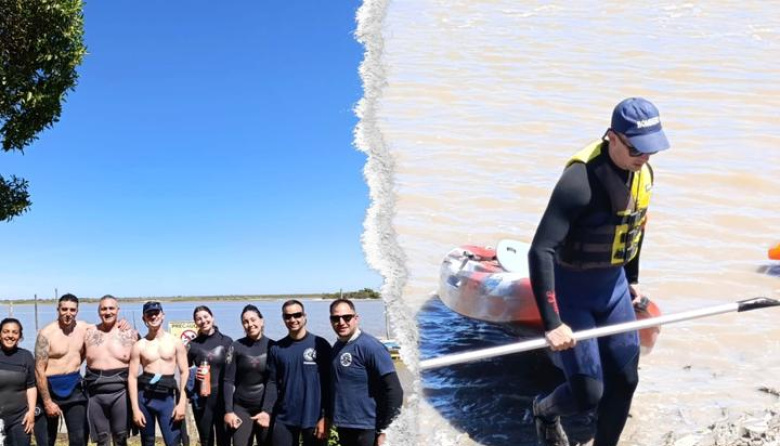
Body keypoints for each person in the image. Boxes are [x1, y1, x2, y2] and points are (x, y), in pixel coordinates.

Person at [527, 97, 671, 446]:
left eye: (651, 150)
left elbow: (635, 226)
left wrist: (632, 278)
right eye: (637, 150)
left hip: (614, 288)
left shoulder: (643, 172)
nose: (645, 158)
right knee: (588, 393)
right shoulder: (579, 182)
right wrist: (552, 323)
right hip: (573, 294)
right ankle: (544, 410)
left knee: (625, 381)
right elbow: (541, 250)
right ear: (612, 138)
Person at [328, 299, 403, 446]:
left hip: (367, 427)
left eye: (347, 317)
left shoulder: (371, 347)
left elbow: (395, 391)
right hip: (345, 425)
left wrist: (386, 430)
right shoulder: (337, 347)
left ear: (356, 318)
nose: (341, 322)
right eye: (335, 318)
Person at [263, 300, 332, 446]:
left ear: (304, 316)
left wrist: (326, 417)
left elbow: (330, 384)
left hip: (313, 418)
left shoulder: (320, 344)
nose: (293, 320)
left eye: (297, 315)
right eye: (288, 316)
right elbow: (272, 382)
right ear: (283, 319)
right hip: (284, 418)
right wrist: (266, 411)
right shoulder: (277, 348)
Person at [128, 301, 189, 446]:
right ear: (144, 318)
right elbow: (132, 377)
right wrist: (135, 409)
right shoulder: (139, 345)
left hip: (167, 399)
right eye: (149, 314)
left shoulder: (176, 342)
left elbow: (184, 372)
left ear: (163, 315)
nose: (153, 316)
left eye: (156, 313)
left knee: (173, 441)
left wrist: (182, 404)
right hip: (145, 398)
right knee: (148, 442)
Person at [34, 294, 90, 446]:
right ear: (58, 309)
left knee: (79, 439)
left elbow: (106, 329)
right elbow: (39, 369)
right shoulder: (46, 334)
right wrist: (47, 402)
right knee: (46, 440)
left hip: (74, 387)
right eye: (64, 309)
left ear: (77, 311)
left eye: (72, 310)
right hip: (49, 388)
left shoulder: (84, 328)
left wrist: (121, 323)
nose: (68, 313)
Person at [83, 295, 139, 446]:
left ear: (118, 310)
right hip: (95, 394)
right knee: (102, 439)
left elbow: (151, 359)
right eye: (103, 308)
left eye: (111, 308)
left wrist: (158, 379)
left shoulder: (131, 335)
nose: (107, 312)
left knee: (121, 437)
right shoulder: (88, 333)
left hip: (121, 393)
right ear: (98, 311)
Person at [223, 305, 275, 446]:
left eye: (253, 320)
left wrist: (267, 410)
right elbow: (228, 381)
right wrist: (229, 411)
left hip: (265, 408)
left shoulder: (273, 347)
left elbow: (273, 382)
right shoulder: (235, 347)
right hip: (241, 408)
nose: (250, 324)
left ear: (261, 321)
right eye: (245, 321)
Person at [186, 306, 233, 446]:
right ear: (195, 323)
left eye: (206, 317)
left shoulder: (227, 341)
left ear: (212, 317)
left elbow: (232, 372)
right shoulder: (192, 345)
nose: (203, 320)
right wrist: (194, 374)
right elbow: (184, 370)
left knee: (224, 439)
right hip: (202, 399)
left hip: (222, 398)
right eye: (199, 319)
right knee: (206, 440)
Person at [0, 318, 37, 446]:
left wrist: (31, 412)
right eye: (6, 331)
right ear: (0, 334)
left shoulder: (26, 356)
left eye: (15, 332)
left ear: (20, 336)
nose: (10, 335)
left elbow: (31, 386)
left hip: (19, 419)